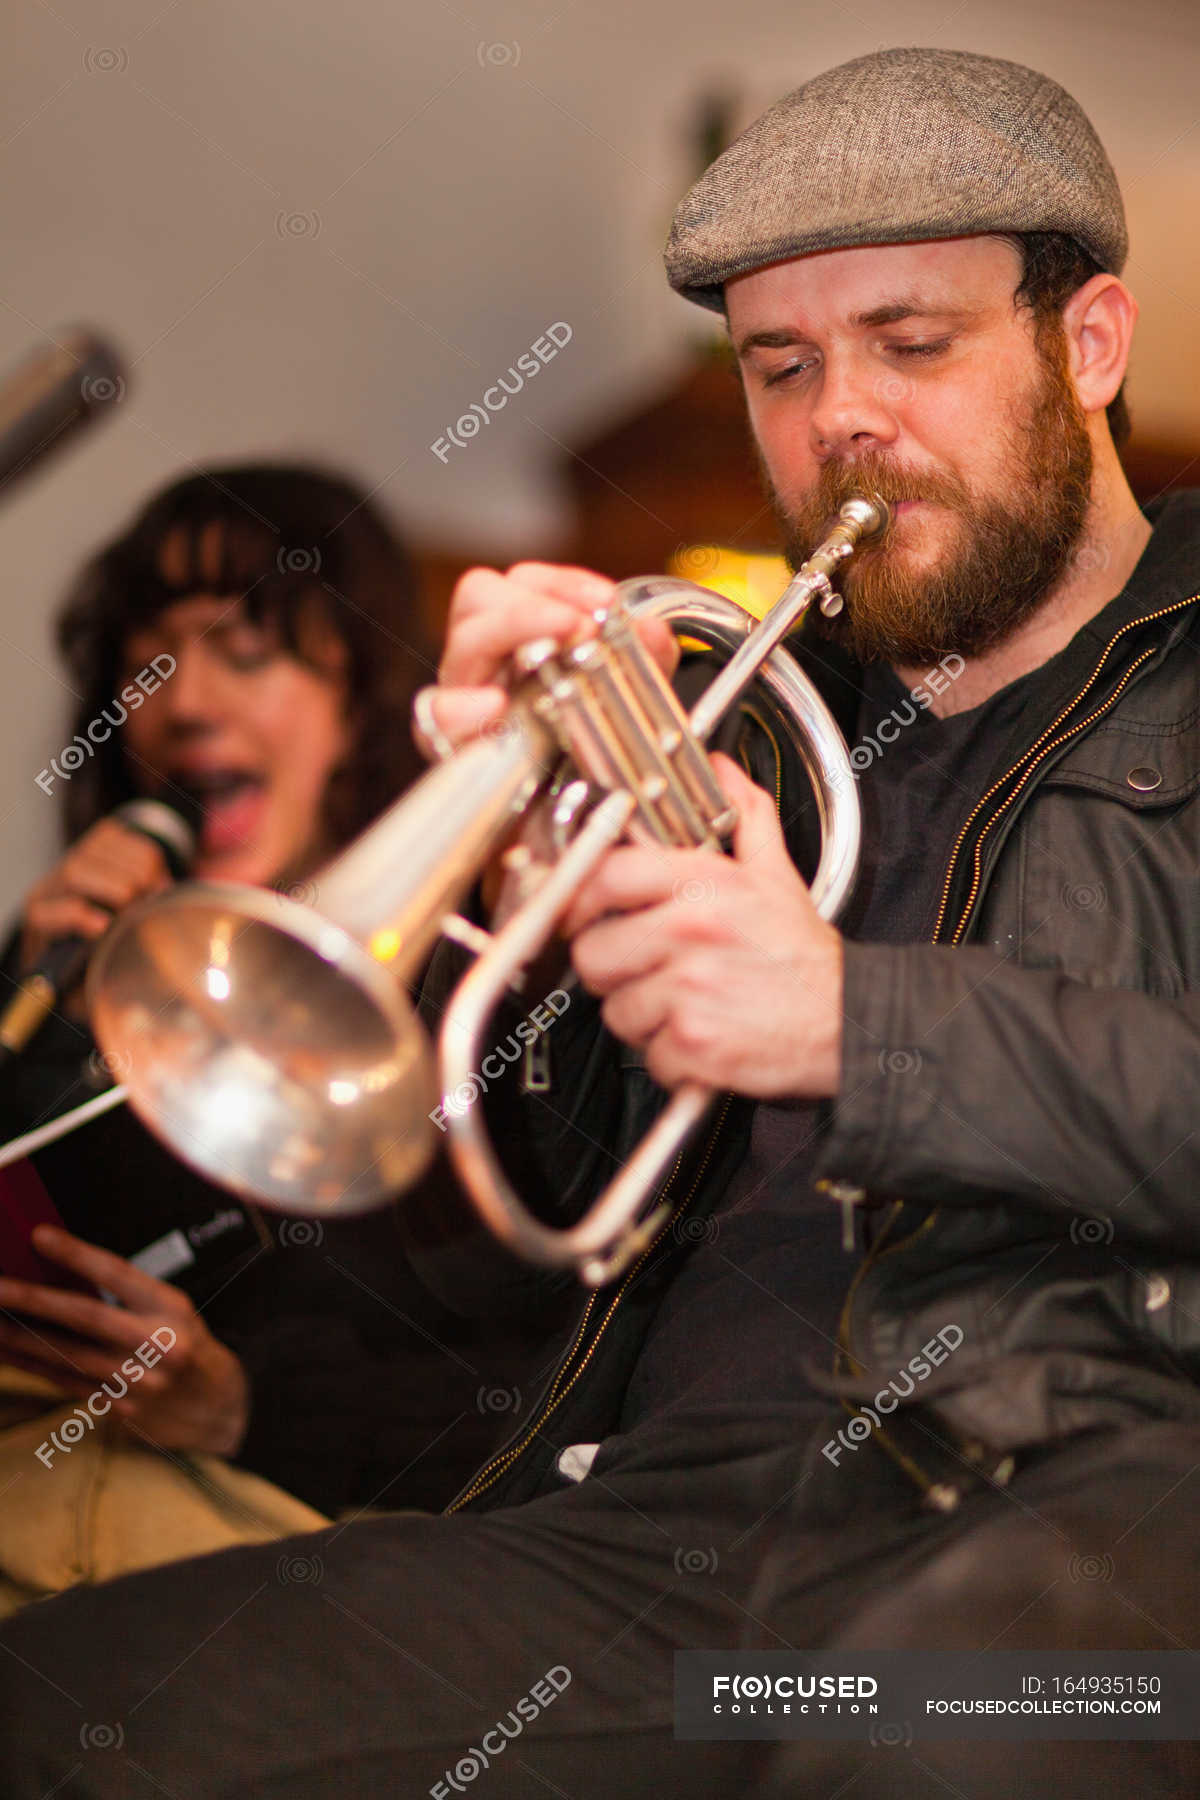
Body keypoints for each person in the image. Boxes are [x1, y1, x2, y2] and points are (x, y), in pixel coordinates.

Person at [1, 45, 1198, 1799]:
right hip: (669, 1544)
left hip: (1099, 1494)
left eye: (911, 343)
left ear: (1088, 344)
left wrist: (857, 1027)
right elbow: (548, 1225)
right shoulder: (761, 734)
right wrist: (537, 901)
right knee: (60, 1709)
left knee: (947, 1741)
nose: (839, 417)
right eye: (781, 366)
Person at [0, 464, 543, 1569]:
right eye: (149, 658)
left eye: (245, 651)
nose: (185, 700)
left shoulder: (480, 996)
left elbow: (545, 1395)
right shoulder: (78, 963)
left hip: (303, 1559)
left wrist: (244, 1409)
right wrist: (39, 1001)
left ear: (360, 701)